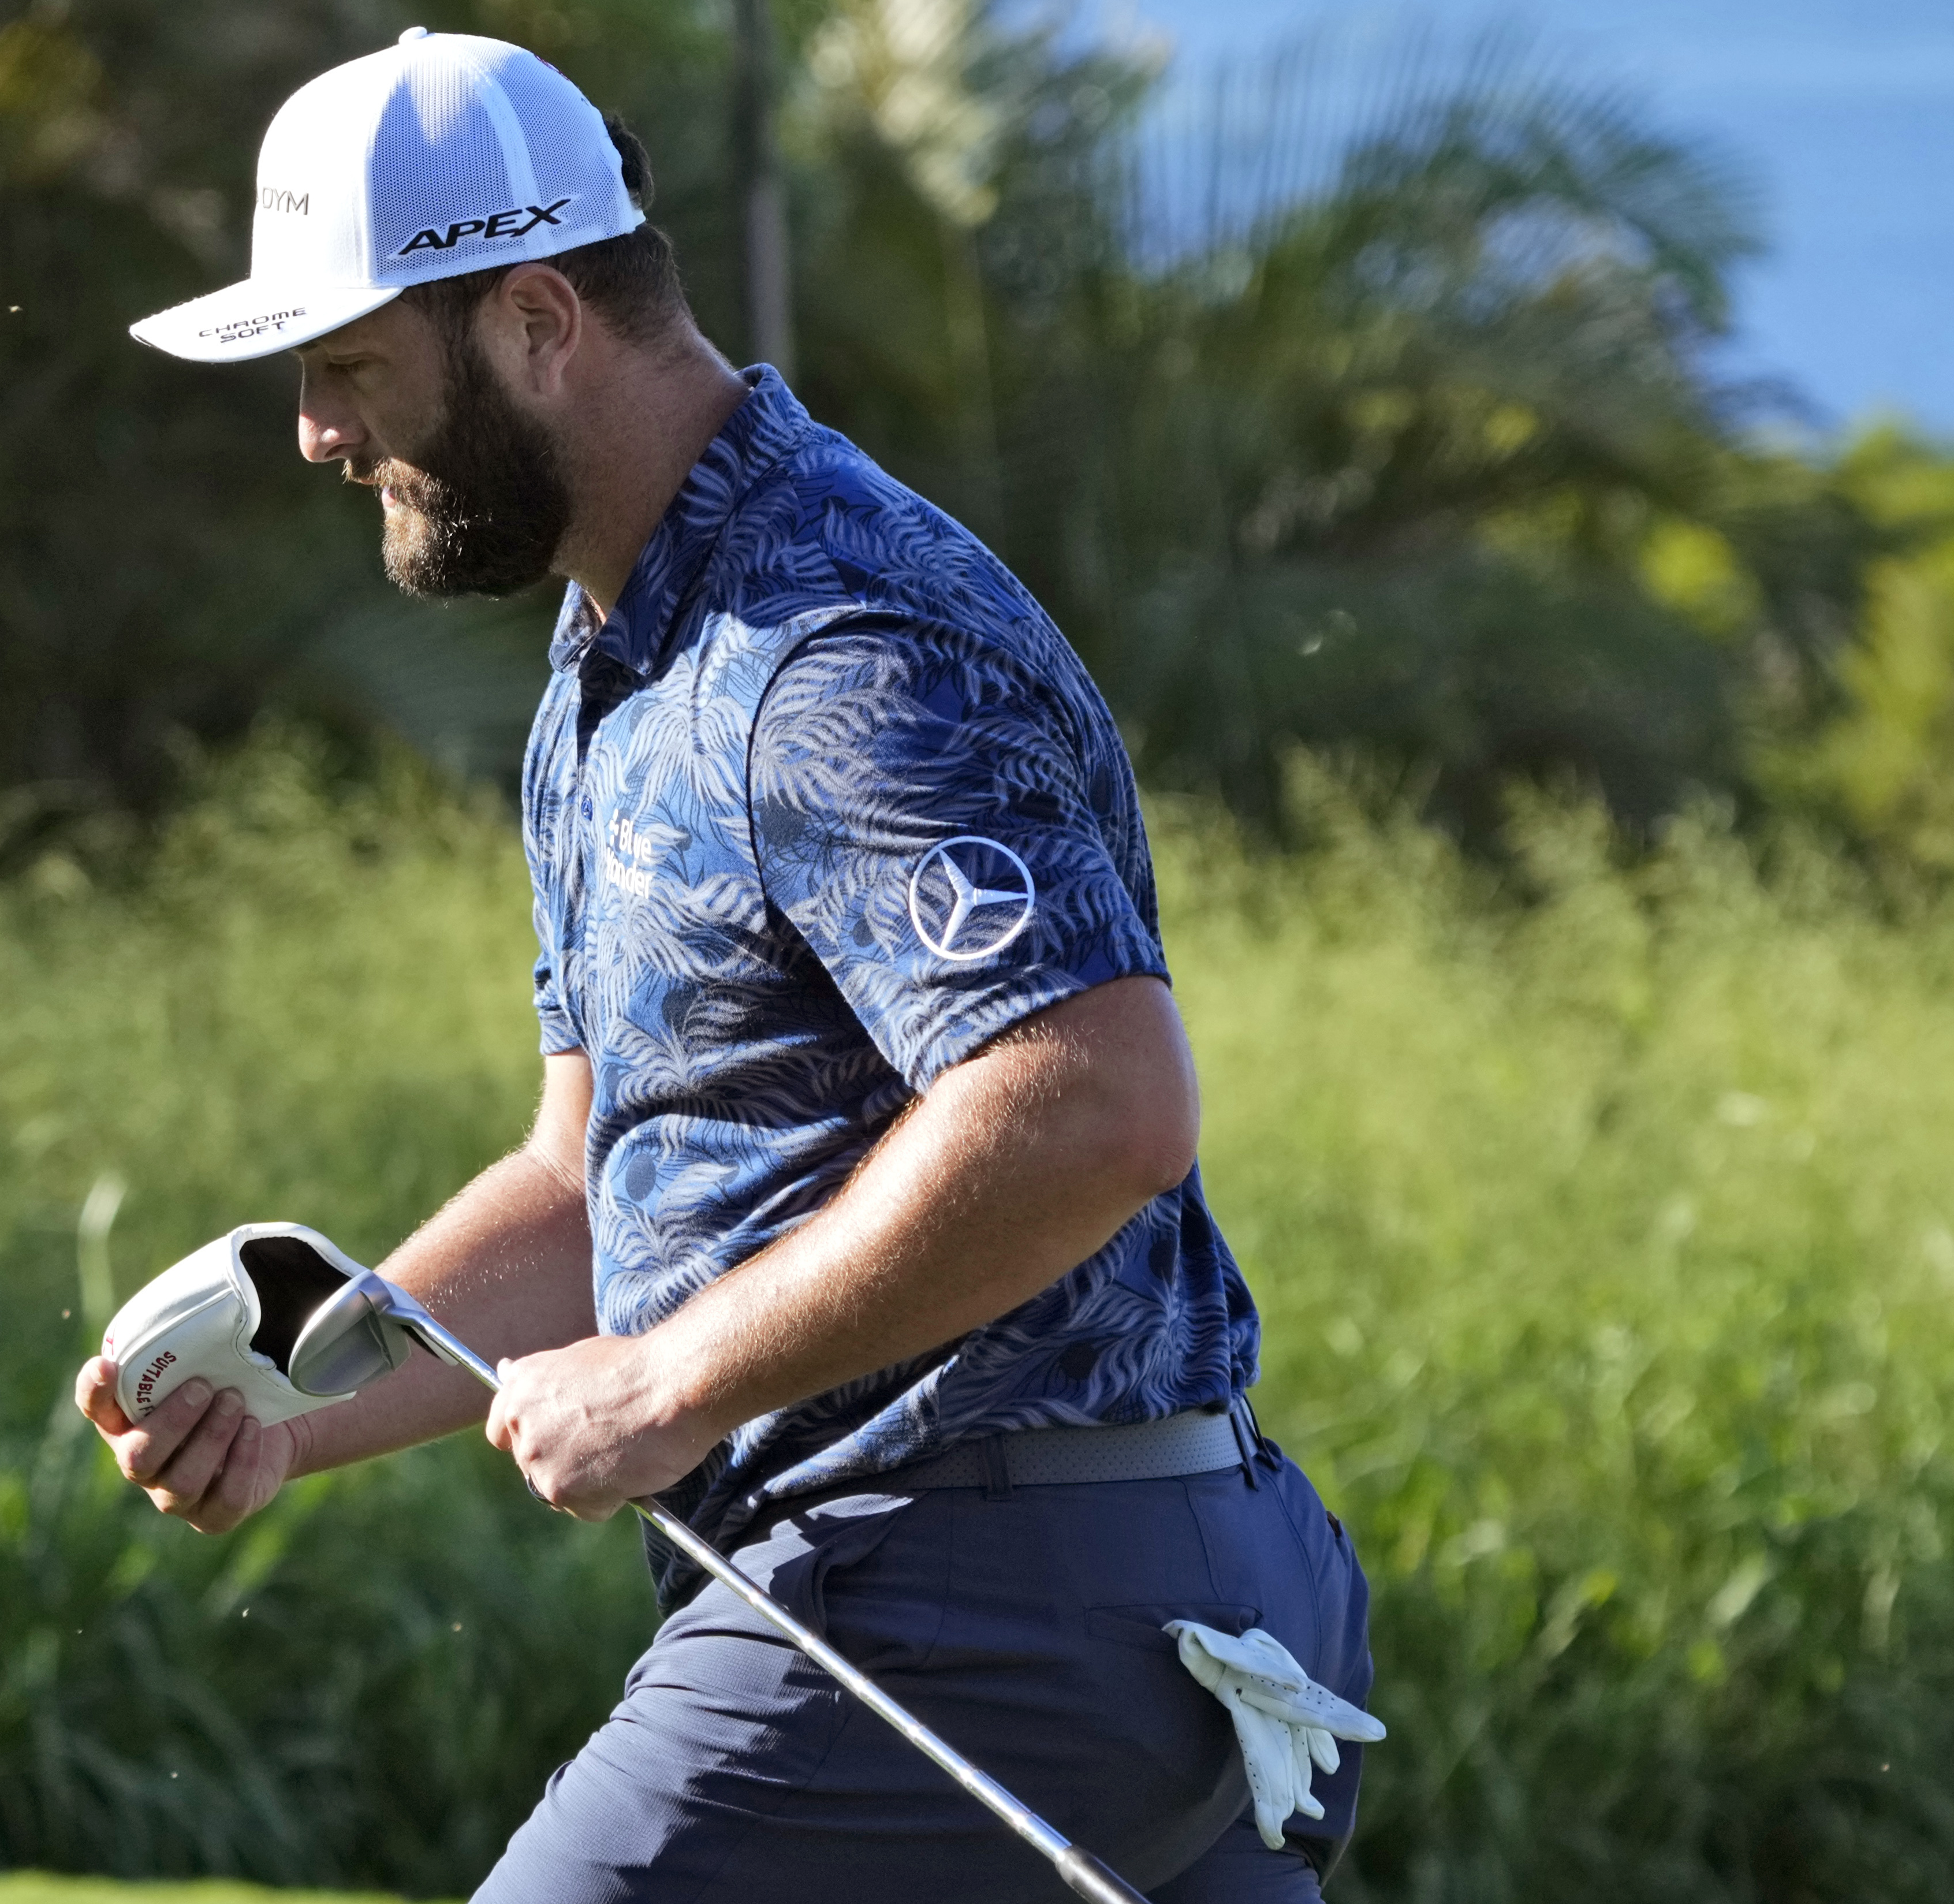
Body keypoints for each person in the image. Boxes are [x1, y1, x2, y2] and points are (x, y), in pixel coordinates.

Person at [77, 28, 1374, 1902]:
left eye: (351, 365)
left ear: (536, 321)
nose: (317, 433)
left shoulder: (824, 647)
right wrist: (291, 1411)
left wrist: (673, 1378)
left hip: (973, 1605)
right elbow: (584, 1186)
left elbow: (1093, 1098)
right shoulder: (620, 667)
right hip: (1105, 1618)